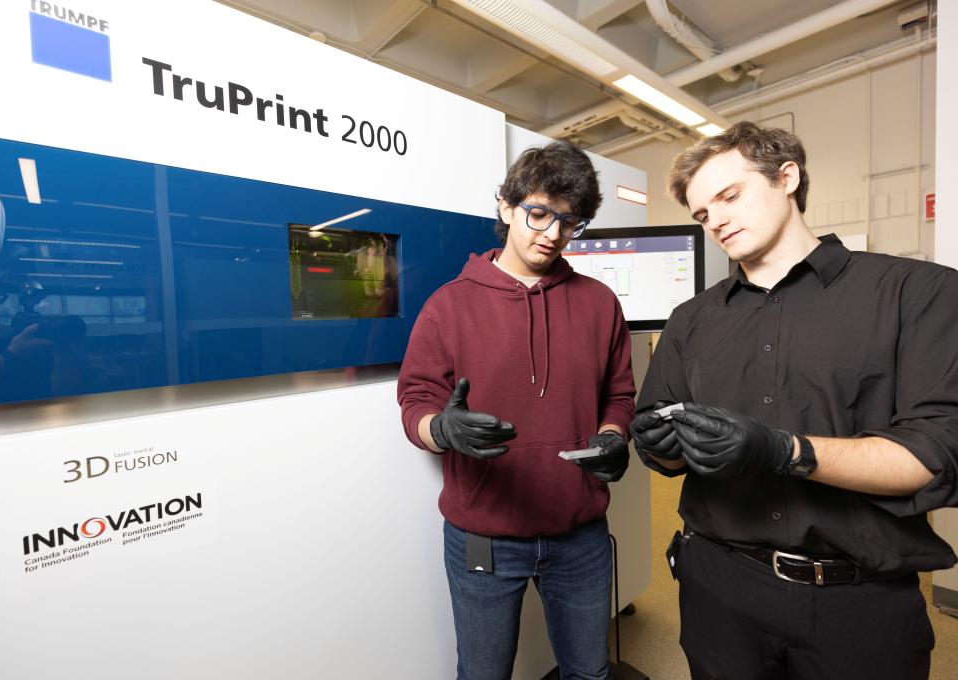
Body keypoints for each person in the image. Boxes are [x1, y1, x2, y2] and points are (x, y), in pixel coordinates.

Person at [631, 121, 958, 680]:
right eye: (703, 215)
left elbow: (934, 456)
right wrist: (659, 447)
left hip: (856, 601)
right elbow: (663, 447)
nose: (718, 221)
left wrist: (784, 451)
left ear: (787, 177)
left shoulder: (918, 292)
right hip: (718, 589)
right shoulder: (691, 321)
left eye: (729, 196)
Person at [398, 141, 636, 680]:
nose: (552, 234)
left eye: (569, 222)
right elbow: (415, 402)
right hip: (483, 536)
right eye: (539, 213)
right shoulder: (449, 304)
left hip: (580, 534)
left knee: (589, 673)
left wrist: (612, 435)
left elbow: (619, 395)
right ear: (506, 207)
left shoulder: (600, 303)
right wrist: (444, 429)